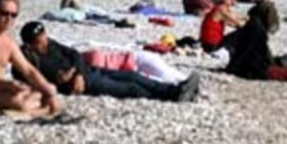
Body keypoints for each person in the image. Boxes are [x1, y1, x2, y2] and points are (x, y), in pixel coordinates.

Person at [16, 21, 199, 102]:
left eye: (44, 37)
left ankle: (174, 89)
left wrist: (77, 72)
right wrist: (69, 79)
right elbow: (51, 81)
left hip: (87, 72)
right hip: (85, 84)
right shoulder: (28, 62)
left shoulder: (50, 44)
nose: (44, 42)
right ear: (30, 45)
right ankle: (170, 96)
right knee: (130, 89)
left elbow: (75, 55)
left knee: (132, 75)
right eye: (40, 42)